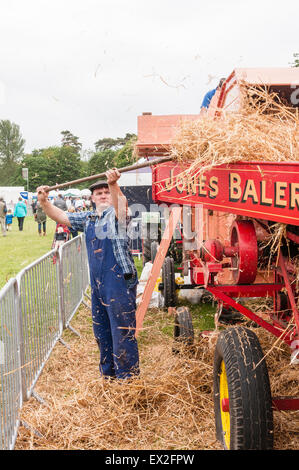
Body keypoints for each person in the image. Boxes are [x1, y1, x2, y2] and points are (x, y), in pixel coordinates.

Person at [37, 168, 139, 380]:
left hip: (119, 283)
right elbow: (63, 216)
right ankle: (109, 377)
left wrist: (113, 184)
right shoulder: (89, 218)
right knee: (102, 332)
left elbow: (122, 206)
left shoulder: (119, 216)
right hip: (99, 285)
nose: (103, 195)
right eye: (98, 193)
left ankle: (128, 381)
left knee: (121, 332)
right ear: (92, 198)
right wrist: (45, 202)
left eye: (106, 192)